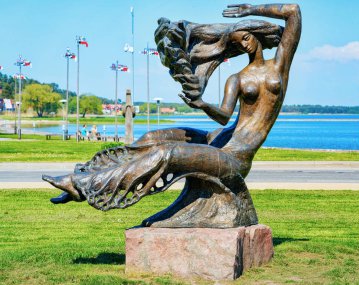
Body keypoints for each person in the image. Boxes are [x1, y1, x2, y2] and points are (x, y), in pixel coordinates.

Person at [46, 3, 301, 220]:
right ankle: (88, 175)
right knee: (151, 139)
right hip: (219, 140)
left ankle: (82, 185)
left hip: (236, 157)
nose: (244, 44)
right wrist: (202, 104)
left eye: (246, 37)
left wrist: (251, 9)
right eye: (237, 42)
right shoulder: (236, 78)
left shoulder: (279, 66)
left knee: (167, 153)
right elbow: (224, 116)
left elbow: (293, 12)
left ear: (256, 36)